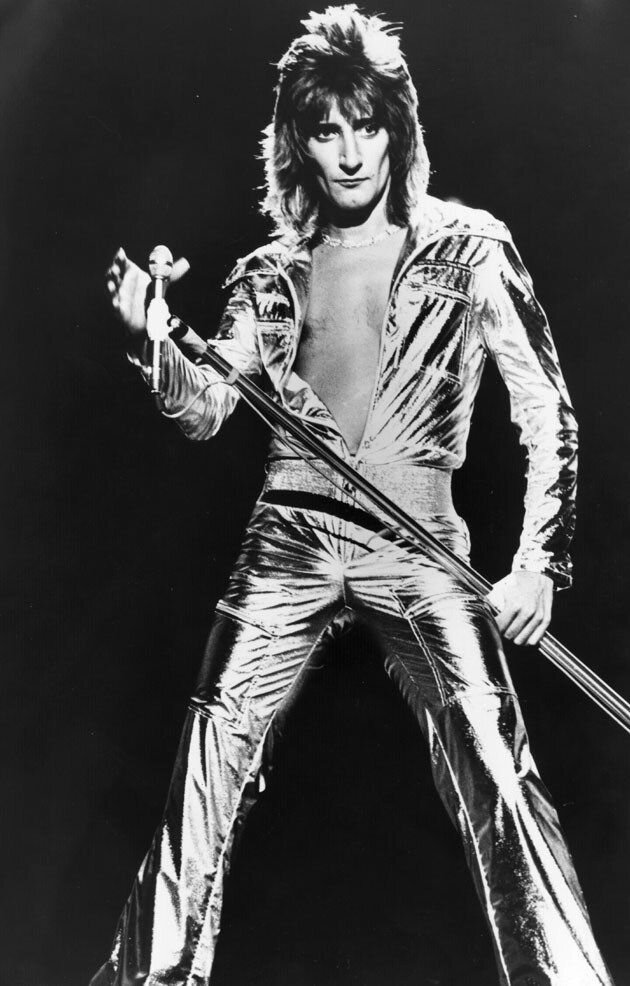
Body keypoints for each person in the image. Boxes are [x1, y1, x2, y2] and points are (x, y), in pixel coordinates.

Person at [96, 6, 613, 985]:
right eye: (326, 131)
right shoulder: (268, 274)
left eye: (366, 127)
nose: (348, 153)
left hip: (420, 538)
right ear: (298, 141)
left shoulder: (470, 247)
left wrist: (539, 561)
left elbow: (548, 408)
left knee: (495, 762)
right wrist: (153, 342)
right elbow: (207, 406)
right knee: (211, 747)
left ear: (396, 130)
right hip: (291, 529)